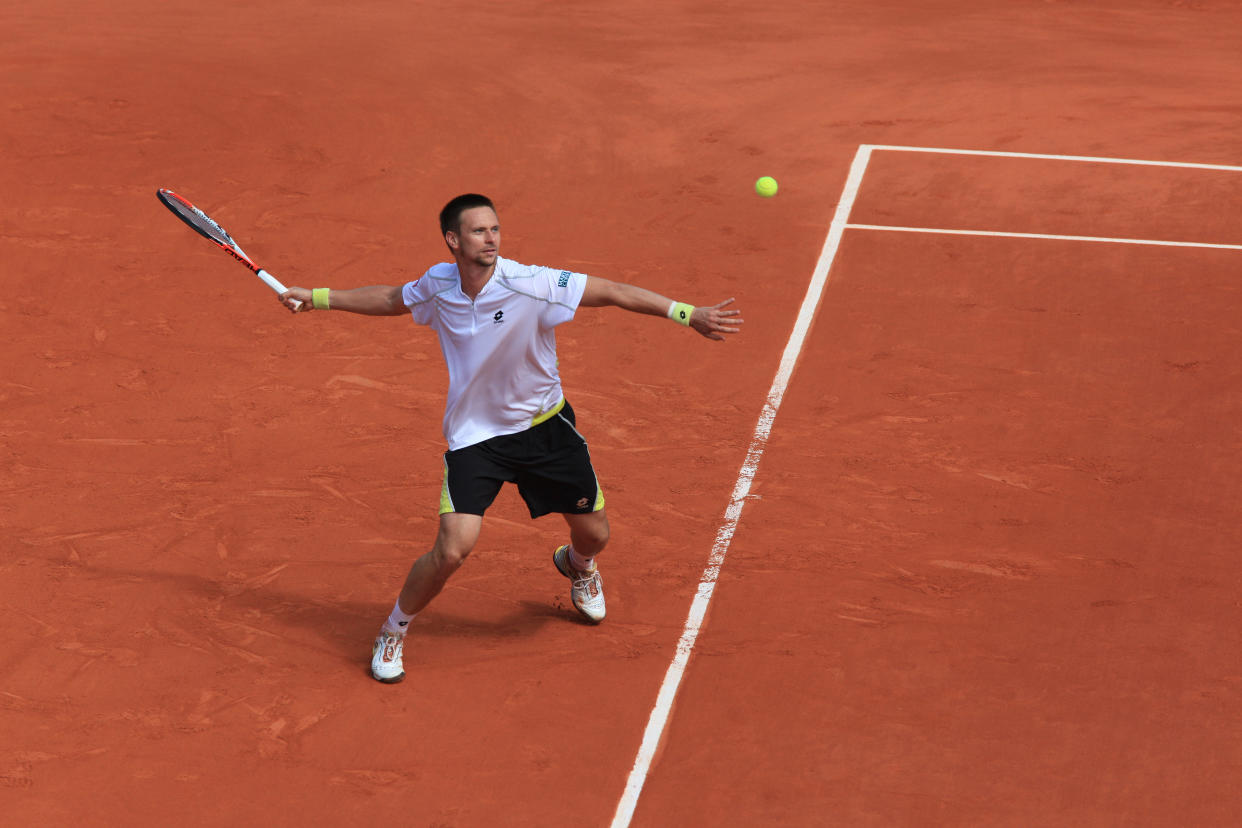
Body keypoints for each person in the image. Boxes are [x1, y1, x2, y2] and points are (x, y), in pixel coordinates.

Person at [279, 194, 743, 684]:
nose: (492, 238)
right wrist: (318, 297)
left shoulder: (531, 282)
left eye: (495, 229)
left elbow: (610, 290)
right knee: (452, 549)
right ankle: (394, 628)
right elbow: (395, 299)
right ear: (453, 241)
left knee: (596, 534)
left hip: (545, 428)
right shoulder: (438, 285)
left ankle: (578, 564)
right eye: (479, 231)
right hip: (477, 438)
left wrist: (687, 313)